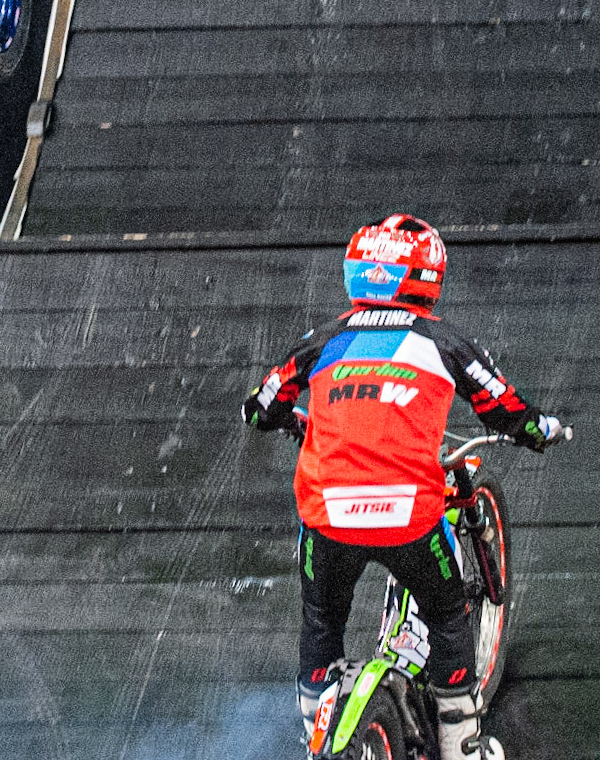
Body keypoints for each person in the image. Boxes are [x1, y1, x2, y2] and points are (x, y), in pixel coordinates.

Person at [242, 214, 565, 760]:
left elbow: (259, 408)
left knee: (322, 620)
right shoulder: (443, 342)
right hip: (408, 519)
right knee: (446, 615)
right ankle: (462, 742)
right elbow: (503, 406)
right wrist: (540, 430)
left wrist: (299, 422)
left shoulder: (324, 340)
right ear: (428, 275)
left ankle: (315, 731)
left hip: (328, 519)